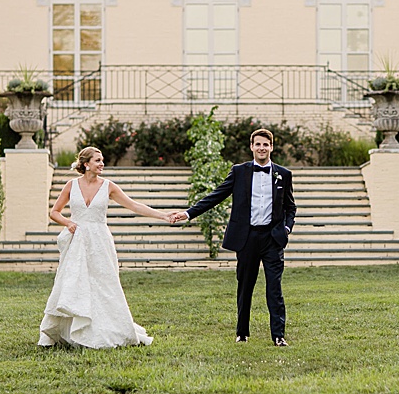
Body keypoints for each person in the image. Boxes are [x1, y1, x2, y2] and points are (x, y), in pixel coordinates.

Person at [169, 129, 297, 346]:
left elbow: (290, 207)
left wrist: (286, 229)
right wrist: (189, 213)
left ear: (271, 147)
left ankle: (278, 336)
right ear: (251, 147)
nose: (261, 148)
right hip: (247, 238)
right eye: (257, 144)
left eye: (265, 144)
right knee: (245, 286)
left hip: (272, 239)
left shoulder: (283, 174)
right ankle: (242, 332)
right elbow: (216, 196)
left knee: (274, 288)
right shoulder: (240, 172)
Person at [39, 146, 173, 348]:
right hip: (78, 241)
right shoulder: (71, 185)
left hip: (100, 241)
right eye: (98, 160)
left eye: (102, 160)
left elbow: (134, 206)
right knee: (74, 283)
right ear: (86, 164)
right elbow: (54, 212)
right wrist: (68, 223)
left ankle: (107, 330)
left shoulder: (108, 186)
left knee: (104, 285)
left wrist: (163, 215)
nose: (102, 164)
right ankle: (69, 331)